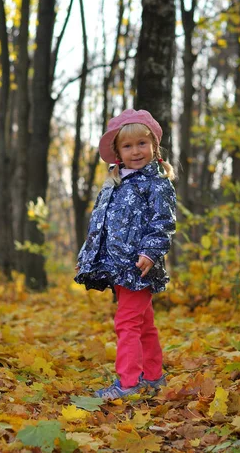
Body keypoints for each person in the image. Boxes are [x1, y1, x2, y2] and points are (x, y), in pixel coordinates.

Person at [74, 109, 177, 401]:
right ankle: (153, 376)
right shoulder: (116, 183)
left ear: (154, 146)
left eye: (142, 144)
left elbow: (163, 222)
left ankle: (129, 381)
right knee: (143, 323)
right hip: (119, 265)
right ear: (118, 151)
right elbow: (100, 223)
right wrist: (90, 255)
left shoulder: (156, 183)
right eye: (128, 146)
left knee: (127, 323)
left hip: (140, 265)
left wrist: (150, 251)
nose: (136, 151)